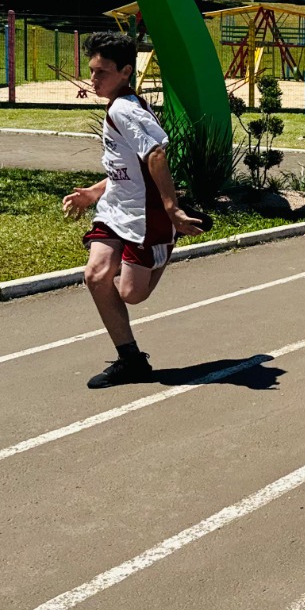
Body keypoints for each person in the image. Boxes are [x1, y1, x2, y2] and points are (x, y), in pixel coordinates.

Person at [61, 32, 202, 388]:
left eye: (101, 73)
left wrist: (171, 209)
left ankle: (166, 241)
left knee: (131, 294)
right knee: (95, 275)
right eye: (92, 72)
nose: (94, 79)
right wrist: (94, 192)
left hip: (145, 216)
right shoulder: (117, 106)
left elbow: (155, 154)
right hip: (114, 209)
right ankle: (131, 360)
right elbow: (123, 167)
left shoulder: (126, 108)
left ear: (125, 71)